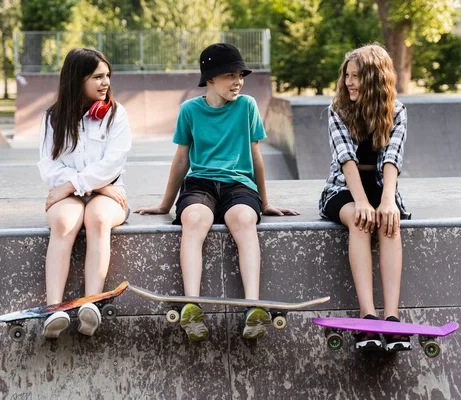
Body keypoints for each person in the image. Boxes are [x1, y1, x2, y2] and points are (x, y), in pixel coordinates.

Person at [136, 43, 298, 341]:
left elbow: (256, 156)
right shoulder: (189, 111)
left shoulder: (247, 106)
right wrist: (164, 205)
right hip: (200, 184)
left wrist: (265, 202)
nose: (237, 81)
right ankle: (192, 305)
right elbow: (182, 159)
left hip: (239, 184)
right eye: (229, 75)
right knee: (195, 219)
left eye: (240, 75)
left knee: (244, 219)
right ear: (209, 79)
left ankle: (253, 306)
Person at [318, 44, 411, 352]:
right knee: (360, 223)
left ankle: (392, 319)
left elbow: (392, 159)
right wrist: (360, 201)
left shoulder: (396, 110)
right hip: (344, 187)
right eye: (348, 76)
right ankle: (367, 316)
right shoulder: (338, 110)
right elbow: (346, 159)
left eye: (357, 76)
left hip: (380, 184)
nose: (350, 83)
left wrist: (387, 202)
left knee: (389, 224)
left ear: (374, 79)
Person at [37, 48, 132, 338]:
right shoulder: (53, 118)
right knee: (65, 222)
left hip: (110, 195)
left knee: (98, 218)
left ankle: (91, 304)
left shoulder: (116, 114)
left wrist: (76, 184)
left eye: (107, 76)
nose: (105, 83)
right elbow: (48, 167)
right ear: (77, 80)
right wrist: (91, 184)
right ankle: (54, 309)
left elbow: (113, 162)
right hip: (79, 192)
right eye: (97, 77)